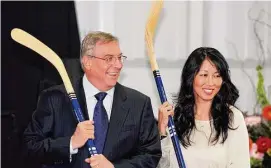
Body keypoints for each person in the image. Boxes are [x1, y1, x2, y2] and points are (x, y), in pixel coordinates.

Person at [23, 31, 161, 168]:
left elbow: (151, 156)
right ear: (87, 62)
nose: (118, 65)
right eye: (109, 58)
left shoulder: (139, 103)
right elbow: (30, 148)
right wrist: (71, 143)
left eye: (119, 58)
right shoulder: (55, 99)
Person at [157, 47, 250, 168]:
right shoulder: (173, 116)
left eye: (217, 76)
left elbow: (241, 164)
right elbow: (162, 165)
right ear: (190, 77)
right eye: (204, 75)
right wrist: (162, 131)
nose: (211, 82)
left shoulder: (232, 117)